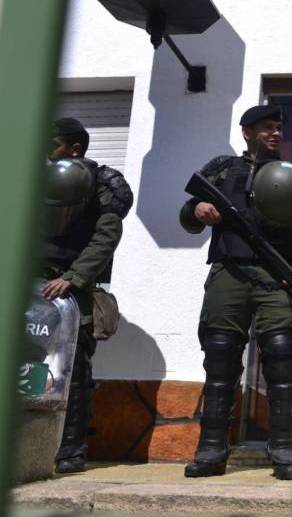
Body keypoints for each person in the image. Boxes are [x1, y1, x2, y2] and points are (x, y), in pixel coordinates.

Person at [179, 105, 292, 480]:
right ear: (246, 132)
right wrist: (198, 208)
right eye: (266, 127)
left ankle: (284, 448)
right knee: (220, 356)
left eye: (278, 127)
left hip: (275, 275)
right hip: (229, 272)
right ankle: (211, 449)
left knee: (281, 355)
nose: (275, 133)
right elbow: (187, 216)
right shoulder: (221, 169)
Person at [46, 117, 134, 473]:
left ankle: (70, 451)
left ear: (75, 148)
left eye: (52, 144)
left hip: (71, 287)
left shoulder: (102, 183)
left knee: (74, 369)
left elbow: (106, 237)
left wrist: (74, 277)